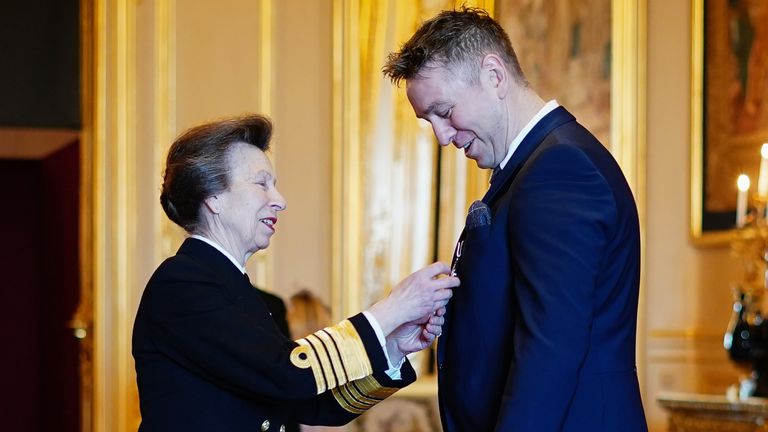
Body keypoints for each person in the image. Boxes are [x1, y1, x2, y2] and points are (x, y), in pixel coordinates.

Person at [383, 7, 646, 431]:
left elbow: (550, 351)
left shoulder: (558, 169)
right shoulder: (533, 168)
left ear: (494, 75)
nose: (441, 136)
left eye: (445, 111)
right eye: (428, 120)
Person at [132, 114, 457, 432]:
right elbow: (290, 372)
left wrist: (394, 347)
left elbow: (315, 404)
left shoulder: (235, 290)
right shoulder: (180, 283)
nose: (280, 201)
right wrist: (393, 309)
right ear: (213, 197)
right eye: (262, 184)